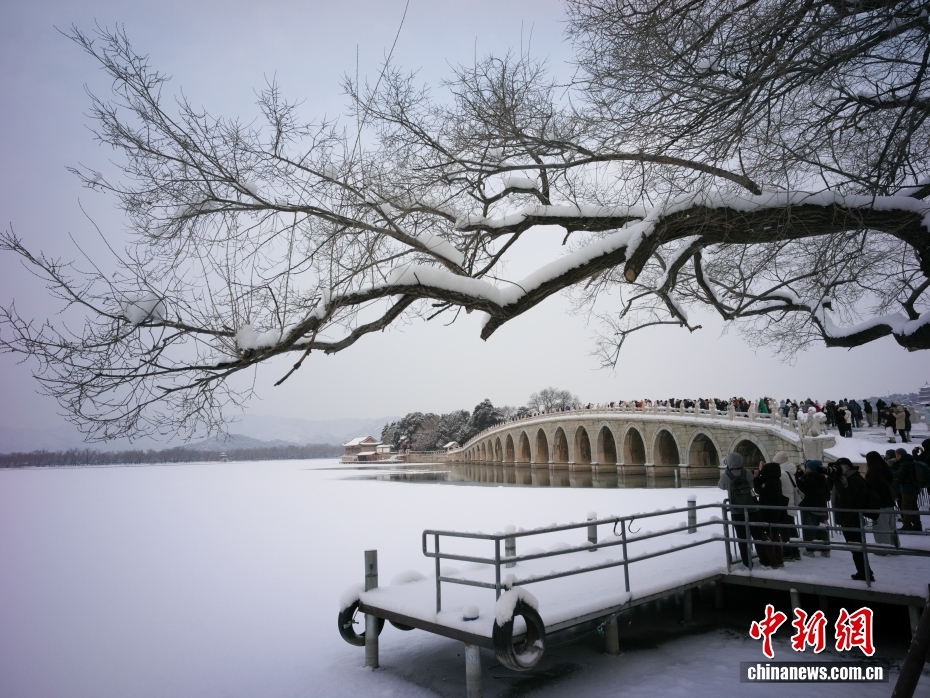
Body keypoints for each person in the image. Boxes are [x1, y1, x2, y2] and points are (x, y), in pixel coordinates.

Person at [831, 457, 874, 581]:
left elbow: (846, 496)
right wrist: (833, 477)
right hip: (847, 517)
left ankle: (865, 574)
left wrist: (836, 480)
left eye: (839, 467)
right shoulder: (847, 478)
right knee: (855, 547)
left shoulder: (854, 479)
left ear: (847, 467)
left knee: (857, 547)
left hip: (852, 517)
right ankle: (864, 572)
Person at [718, 452, 762, 568]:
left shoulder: (726, 476)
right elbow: (752, 484)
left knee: (742, 538)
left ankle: (747, 563)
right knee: (758, 535)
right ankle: (765, 560)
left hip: (736, 511)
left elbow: (721, 486)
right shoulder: (747, 472)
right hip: (752, 509)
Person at [753, 461, 787, 568]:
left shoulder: (770, 482)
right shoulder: (776, 480)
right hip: (775, 513)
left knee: (768, 537)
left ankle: (773, 562)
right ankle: (779, 560)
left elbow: (758, 490)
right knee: (775, 536)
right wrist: (760, 474)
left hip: (768, 513)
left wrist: (755, 478)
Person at [864, 451, 898, 553]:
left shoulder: (872, 474)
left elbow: (872, 490)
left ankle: (883, 549)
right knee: (892, 527)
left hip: (879, 505)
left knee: (881, 528)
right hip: (889, 502)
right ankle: (895, 547)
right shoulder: (886, 469)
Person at [797, 460, 830, 556]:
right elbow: (827, 495)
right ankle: (825, 549)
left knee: (809, 529)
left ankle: (810, 549)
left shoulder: (809, 479)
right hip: (822, 507)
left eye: (807, 467)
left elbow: (801, 485)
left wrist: (796, 476)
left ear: (811, 469)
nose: (805, 469)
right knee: (821, 529)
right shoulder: (823, 479)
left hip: (809, 507)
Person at [773, 451, 801, 560]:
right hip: (791, 502)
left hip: (784, 504)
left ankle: (788, 552)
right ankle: (795, 551)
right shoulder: (790, 471)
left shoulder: (782, 473)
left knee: (785, 529)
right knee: (791, 528)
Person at [895, 448, 923, 531]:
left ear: (900, 455)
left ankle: (907, 525)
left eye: (896, 455)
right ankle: (917, 525)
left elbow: (899, 475)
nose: (896, 457)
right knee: (914, 506)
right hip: (914, 487)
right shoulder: (911, 461)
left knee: (906, 506)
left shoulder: (905, 464)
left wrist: (892, 472)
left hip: (907, 488)